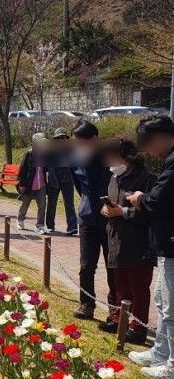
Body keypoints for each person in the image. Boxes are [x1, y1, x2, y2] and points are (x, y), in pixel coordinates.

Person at [127, 115, 174, 379]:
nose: (148, 150)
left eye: (149, 142)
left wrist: (139, 198)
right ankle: (161, 352)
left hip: (172, 243)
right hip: (166, 245)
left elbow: (158, 201)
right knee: (162, 301)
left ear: (162, 136)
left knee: (171, 307)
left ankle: (172, 364)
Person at [99, 138, 156, 344]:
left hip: (138, 243)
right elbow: (112, 205)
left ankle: (138, 328)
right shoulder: (115, 177)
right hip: (116, 239)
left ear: (125, 156)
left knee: (138, 288)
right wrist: (106, 210)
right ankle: (118, 321)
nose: (107, 160)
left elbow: (150, 212)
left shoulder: (146, 178)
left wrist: (122, 212)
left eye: (110, 156)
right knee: (119, 284)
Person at [71, 120, 116, 322]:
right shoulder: (77, 158)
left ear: (94, 140)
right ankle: (87, 303)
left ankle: (114, 309)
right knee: (86, 265)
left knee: (112, 266)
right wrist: (87, 204)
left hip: (110, 219)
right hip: (87, 218)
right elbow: (79, 185)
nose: (78, 146)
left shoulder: (111, 157)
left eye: (81, 142)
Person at [45, 129, 78, 236]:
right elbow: (49, 167)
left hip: (68, 180)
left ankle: (72, 227)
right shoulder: (50, 151)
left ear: (66, 139)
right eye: (58, 138)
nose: (61, 140)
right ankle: (50, 225)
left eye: (63, 138)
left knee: (69, 204)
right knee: (51, 203)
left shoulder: (72, 150)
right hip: (54, 180)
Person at [16, 132, 50, 234]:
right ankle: (20, 220)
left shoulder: (45, 154)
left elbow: (46, 169)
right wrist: (21, 184)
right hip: (29, 184)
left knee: (42, 205)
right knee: (25, 204)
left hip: (41, 184)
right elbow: (22, 169)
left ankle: (39, 225)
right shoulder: (29, 153)